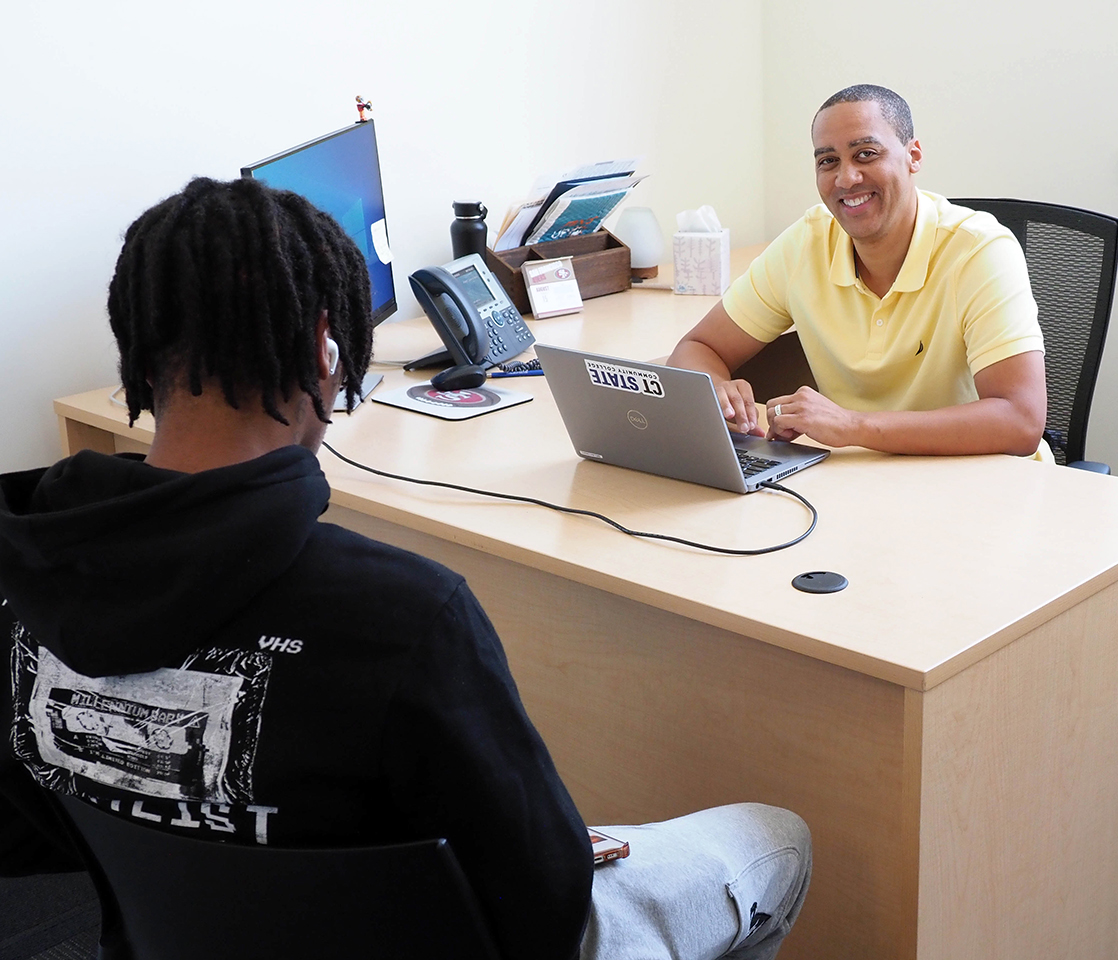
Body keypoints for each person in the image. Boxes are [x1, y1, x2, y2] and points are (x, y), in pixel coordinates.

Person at [0, 177, 810, 960]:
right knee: (775, 839)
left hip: (164, 935)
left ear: (141, 357)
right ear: (326, 349)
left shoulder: (26, 582)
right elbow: (546, 909)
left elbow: (32, 836)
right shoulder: (403, 616)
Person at [670, 83, 1051, 461]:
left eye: (866, 154)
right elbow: (699, 347)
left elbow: (1020, 422)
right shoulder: (805, 243)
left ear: (913, 156)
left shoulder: (978, 250)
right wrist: (716, 390)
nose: (846, 178)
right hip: (858, 476)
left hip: (981, 479)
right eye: (828, 161)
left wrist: (855, 426)